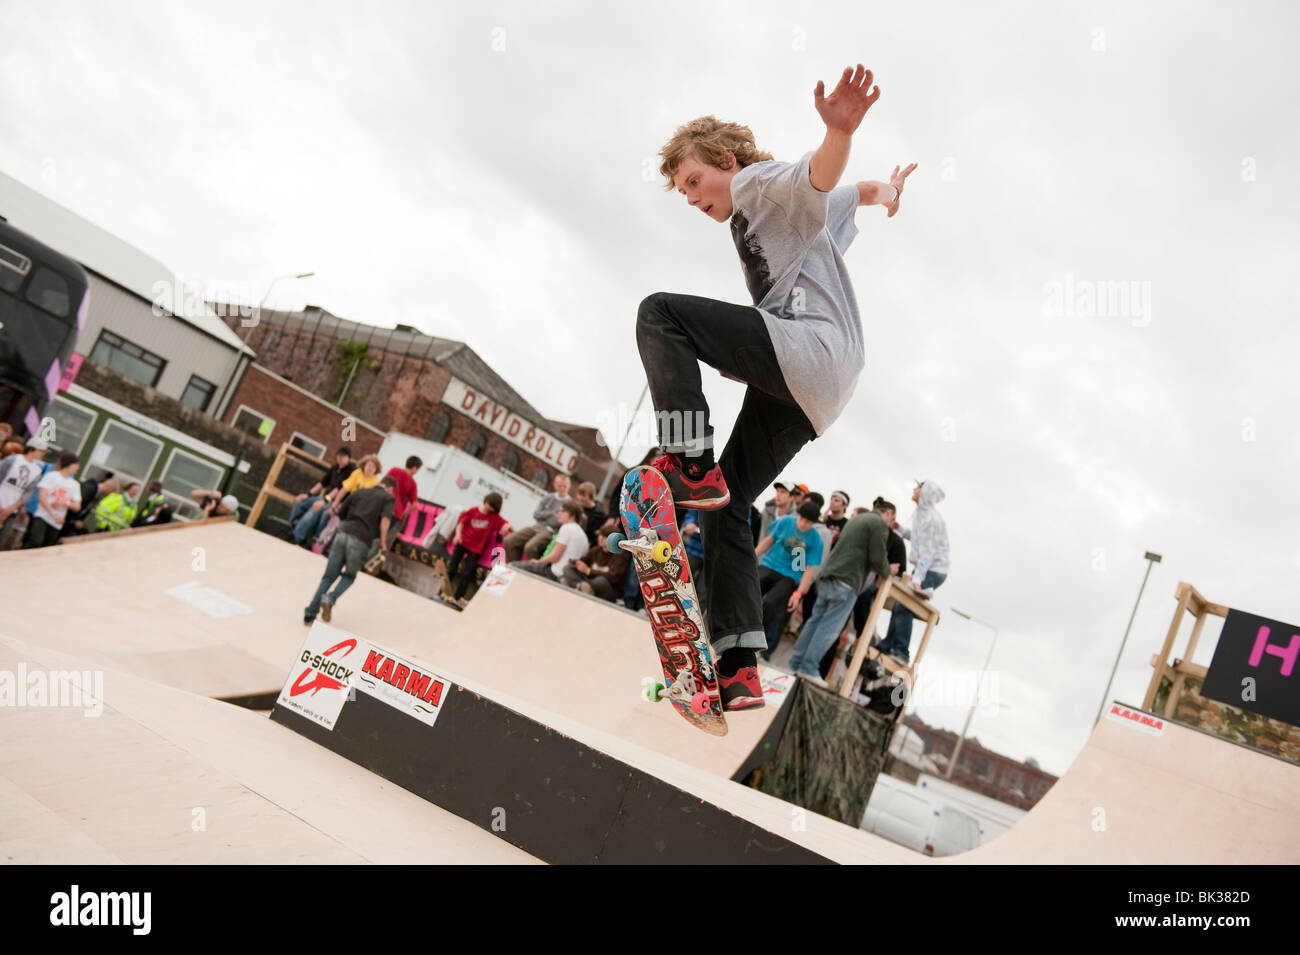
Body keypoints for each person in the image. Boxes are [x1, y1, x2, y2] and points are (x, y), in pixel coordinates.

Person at [637, 66, 916, 708]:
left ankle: (686, 458)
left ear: (725, 161)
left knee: (661, 314)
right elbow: (854, 190)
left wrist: (839, 130)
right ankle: (738, 666)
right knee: (728, 505)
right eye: (682, 191)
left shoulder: (760, 185)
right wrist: (889, 193)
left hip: (807, 351)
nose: (691, 198)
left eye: (693, 181)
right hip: (817, 389)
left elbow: (818, 172)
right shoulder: (794, 220)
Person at [788, 509, 891, 685]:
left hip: (829, 575)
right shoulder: (878, 524)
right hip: (847, 581)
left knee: (814, 621)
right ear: (887, 513)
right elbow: (877, 557)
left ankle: (795, 663)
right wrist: (888, 571)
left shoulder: (856, 519)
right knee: (829, 628)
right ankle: (808, 667)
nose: (891, 523)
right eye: (892, 518)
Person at [304, 475, 396, 624]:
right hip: (361, 540)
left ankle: (310, 614)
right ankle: (330, 598)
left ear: (380, 483)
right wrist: (383, 541)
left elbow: (342, 513)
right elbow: (386, 519)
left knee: (329, 576)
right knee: (348, 576)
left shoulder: (360, 492)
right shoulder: (388, 499)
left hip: (342, 533)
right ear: (390, 489)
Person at [875, 480, 949, 664]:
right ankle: (888, 645)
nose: (914, 490)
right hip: (926, 567)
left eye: (919, 488)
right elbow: (917, 538)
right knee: (901, 603)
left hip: (933, 569)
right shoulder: (922, 514)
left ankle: (901, 652)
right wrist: (899, 529)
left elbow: (927, 552)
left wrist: (917, 580)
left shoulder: (931, 518)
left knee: (905, 604)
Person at [755, 500, 824, 660]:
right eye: (802, 519)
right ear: (798, 515)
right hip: (771, 565)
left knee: (771, 603)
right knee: (753, 588)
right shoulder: (786, 522)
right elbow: (768, 541)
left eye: (808, 522)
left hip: (790, 576)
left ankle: (756, 642)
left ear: (813, 523)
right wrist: (753, 555)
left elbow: (809, 571)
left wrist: (798, 594)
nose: (803, 523)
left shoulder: (815, 539)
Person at [448, 492, 512, 603]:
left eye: (493, 508)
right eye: (490, 506)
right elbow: (461, 523)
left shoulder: (494, 517)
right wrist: (458, 535)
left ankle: (457, 598)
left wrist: (506, 526)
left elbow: (506, 524)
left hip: (476, 549)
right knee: (452, 567)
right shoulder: (473, 511)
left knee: (466, 574)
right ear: (486, 502)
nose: (491, 509)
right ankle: (443, 590)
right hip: (463, 542)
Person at [290, 446, 356, 545]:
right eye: (338, 455)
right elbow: (322, 483)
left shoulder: (351, 470)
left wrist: (323, 501)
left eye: (343, 456)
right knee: (301, 502)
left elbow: (338, 490)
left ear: (348, 458)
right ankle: (291, 527)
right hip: (325, 498)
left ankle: (298, 537)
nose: (340, 458)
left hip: (336, 502)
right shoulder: (335, 467)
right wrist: (307, 495)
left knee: (316, 509)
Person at [510, 500, 588, 583]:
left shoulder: (567, 528)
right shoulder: (583, 535)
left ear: (572, 515)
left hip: (555, 573)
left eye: (562, 511)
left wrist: (538, 562)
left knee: (511, 566)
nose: (558, 514)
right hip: (566, 575)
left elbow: (555, 557)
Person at [503, 473, 572, 562]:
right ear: (555, 485)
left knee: (530, 547)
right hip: (537, 526)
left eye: (565, 486)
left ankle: (530, 569)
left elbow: (558, 522)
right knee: (509, 541)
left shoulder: (569, 503)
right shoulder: (548, 497)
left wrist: (546, 516)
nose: (562, 489)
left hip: (551, 531)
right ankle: (512, 565)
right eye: (560, 486)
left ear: (569, 486)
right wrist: (551, 514)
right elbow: (536, 514)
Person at [23, 450, 81, 548]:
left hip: (57, 522)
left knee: (46, 548)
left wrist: (65, 503)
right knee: (35, 541)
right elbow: (41, 496)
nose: (78, 468)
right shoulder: (51, 476)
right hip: (42, 516)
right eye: (76, 464)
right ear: (69, 464)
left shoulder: (75, 484)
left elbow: (77, 506)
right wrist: (52, 513)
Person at [0, 437, 49, 550]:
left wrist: (11, 508)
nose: (43, 454)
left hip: (12, 510)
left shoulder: (37, 470)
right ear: (32, 449)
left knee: (2, 539)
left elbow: (29, 492)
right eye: (41, 451)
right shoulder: (13, 460)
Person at [563, 524, 631, 602]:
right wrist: (576, 563)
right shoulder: (596, 550)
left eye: (604, 537)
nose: (600, 539)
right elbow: (585, 561)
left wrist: (588, 571)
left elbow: (613, 577)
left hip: (608, 590)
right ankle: (580, 586)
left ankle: (580, 587)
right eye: (600, 535)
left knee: (600, 581)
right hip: (589, 583)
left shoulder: (620, 556)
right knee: (567, 568)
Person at [384, 455, 422, 548]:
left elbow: (383, 483)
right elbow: (415, 504)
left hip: (383, 505)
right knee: (385, 537)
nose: (417, 472)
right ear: (414, 468)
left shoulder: (394, 470)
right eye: (418, 470)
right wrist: (404, 514)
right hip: (396, 513)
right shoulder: (413, 483)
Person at [574, 481, 606, 548]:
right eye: (579, 494)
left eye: (583, 496)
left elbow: (593, 534)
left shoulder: (598, 515)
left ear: (591, 496)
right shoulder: (578, 506)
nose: (580, 498)